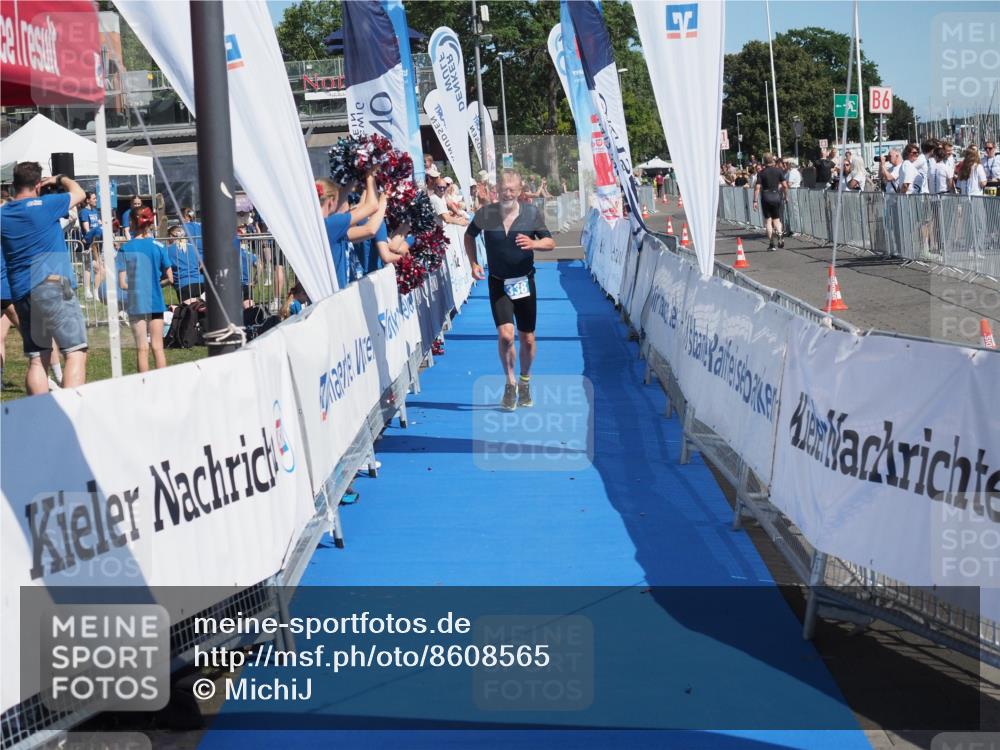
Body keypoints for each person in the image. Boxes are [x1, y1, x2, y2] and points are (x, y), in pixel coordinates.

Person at [464, 169, 555, 410]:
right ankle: (510, 381)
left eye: (512, 190)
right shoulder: (485, 214)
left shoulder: (531, 214)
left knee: (527, 339)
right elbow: (468, 236)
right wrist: (473, 263)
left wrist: (534, 243)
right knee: (505, 336)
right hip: (498, 282)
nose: (508, 194)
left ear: (520, 190)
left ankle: (525, 380)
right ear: (497, 190)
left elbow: (550, 242)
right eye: (504, 189)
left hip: (524, 282)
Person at [0, 163, 88, 394]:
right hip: (54, 286)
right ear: (38, 185)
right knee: (75, 351)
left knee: (38, 359)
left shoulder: (2, 214)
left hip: (22, 292)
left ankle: (39, 417)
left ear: (13, 184)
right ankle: (70, 412)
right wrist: (59, 178)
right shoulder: (46, 205)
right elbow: (79, 193)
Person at [117, 207, 172, 371]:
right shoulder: (159, 246)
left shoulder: (125, 248)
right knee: (158, 347)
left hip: (137, 303)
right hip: (155, 301)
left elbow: (122, 283)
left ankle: (144, 388)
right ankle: (162, 385)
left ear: (132, 223)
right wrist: (156, 284)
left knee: (142, 349)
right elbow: (170, 278)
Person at [316, 173, 383, 289]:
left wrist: (355, 174)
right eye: (337, 201)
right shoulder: (331, 224)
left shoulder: (317, 224)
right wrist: (370, 175)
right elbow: (372, 209)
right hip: (335, 296)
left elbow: (368, 230)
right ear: (331, 202)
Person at [752, 154, 788, 250]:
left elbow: (757, 188)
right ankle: (780, 233)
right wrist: (786, 196)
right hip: (776, 195)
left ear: (764, 161)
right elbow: (785, 185)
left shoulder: (761, 173)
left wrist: (754, 201)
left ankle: (772, 244)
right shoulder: (778, 171)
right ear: (772, 160)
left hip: (766, 196)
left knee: (768, 221)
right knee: (777, 219)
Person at [167, 223, 205, 302]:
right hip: (201, 283)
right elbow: (202, 265)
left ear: (170, 236)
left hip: (184, 286)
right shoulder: (193, 247)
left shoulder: (168, 251)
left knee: (188, 313)